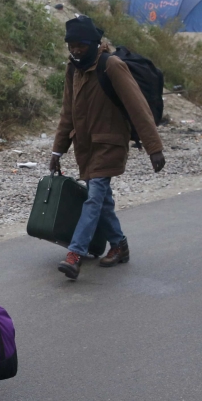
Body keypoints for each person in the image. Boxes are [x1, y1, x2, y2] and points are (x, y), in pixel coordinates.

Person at [49, 16, 166, 280]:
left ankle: (75, 254)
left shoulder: (111, 65)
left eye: (81, 45)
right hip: (85, 147)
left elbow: (138, 107)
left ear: (94, 43)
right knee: (102, 201)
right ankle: (119, 245)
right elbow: (67, 112)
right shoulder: (73, 69)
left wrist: (154, 147)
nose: (76, 50)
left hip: (110, 144)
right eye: (72, 45)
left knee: (94, 198)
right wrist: (58, 151)